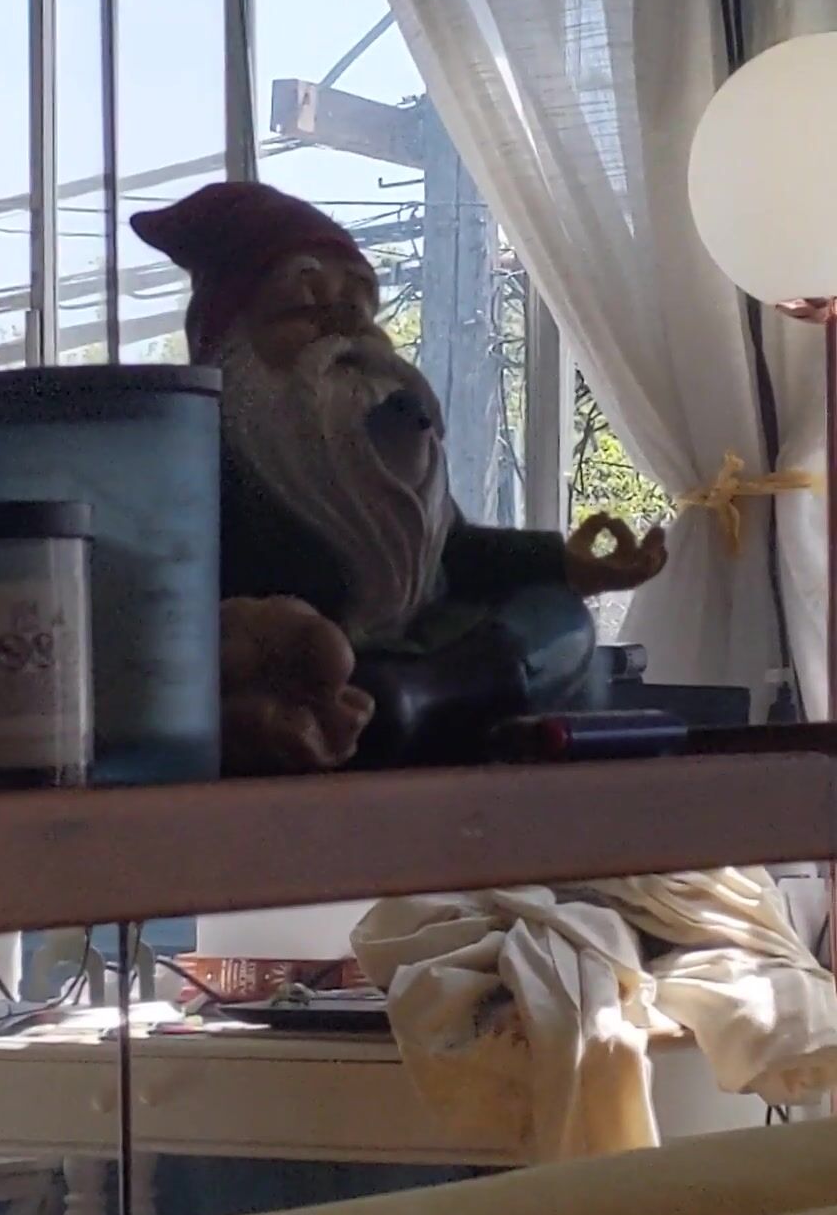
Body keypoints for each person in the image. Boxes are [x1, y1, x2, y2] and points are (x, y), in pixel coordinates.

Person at [132, 183, 666, 774]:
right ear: (232, 336)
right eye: (304, 310)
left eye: (358, 309)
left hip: (423, 661)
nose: (343, 328)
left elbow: (449, 549)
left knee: (558, 618)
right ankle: (404, 706)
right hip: (312, 673)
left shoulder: (380, 441)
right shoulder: (209, 460)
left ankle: (419, 699)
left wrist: (565, 565)